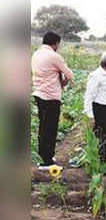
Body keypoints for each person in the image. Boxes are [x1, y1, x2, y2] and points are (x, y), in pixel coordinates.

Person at [32, 31, 74, 170]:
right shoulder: (54, 56)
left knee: (43, 127)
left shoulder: (36, 54)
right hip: (51, 97)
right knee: (50, 129)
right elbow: (70, 75)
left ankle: (45, 156)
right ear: (55, 43)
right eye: (58, 44)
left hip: (39, 95)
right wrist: (63, 83)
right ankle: (47, 162)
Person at [84, 51, 106, 163]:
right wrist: (90, 116)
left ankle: (104, 158)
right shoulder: (96, 76)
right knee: (101, 136)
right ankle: (99, 160)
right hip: (100, 110)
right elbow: (89, 97)